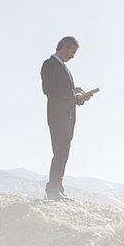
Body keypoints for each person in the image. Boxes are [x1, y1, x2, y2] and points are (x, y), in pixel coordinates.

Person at [40, 36, 93, 201]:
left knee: (64, 153)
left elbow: (65, 94)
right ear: (64, 47)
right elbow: (49, 90)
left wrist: (79, 98)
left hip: (68, 117)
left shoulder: (64, 68)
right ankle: (52, 190)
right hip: (58, 117)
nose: (73, 56)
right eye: (72, 52)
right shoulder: (50, 64)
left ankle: (58, 189)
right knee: (60, 153)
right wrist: (72, 93)